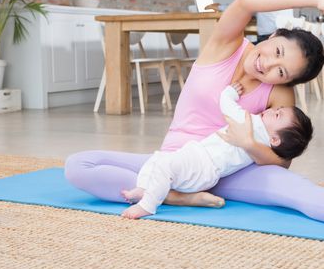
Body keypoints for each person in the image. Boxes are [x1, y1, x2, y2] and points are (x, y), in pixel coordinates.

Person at [65, 0, 324, 239]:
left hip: (227, 173)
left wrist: (250, 144)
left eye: (283, 70)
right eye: (276, 51)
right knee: (78, 166)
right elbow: (246, 1)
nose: (269, 66)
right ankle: (179, 196)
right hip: (174, 163)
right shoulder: (225, 45)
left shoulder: (277, 93)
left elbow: (282, 161)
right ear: (271, 37)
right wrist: (316, 0)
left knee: (294, 191)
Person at [121, 83, 313, 219]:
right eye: (276, 109)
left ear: (274, 139)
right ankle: (144, 190)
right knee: (160, 160)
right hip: (201, 163)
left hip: (202, 165)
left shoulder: (251, 124)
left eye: (277, 114)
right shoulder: (262, 146)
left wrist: (229, 92)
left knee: (163, 164)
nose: (270, 110)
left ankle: (147, 206)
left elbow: (227, 106)